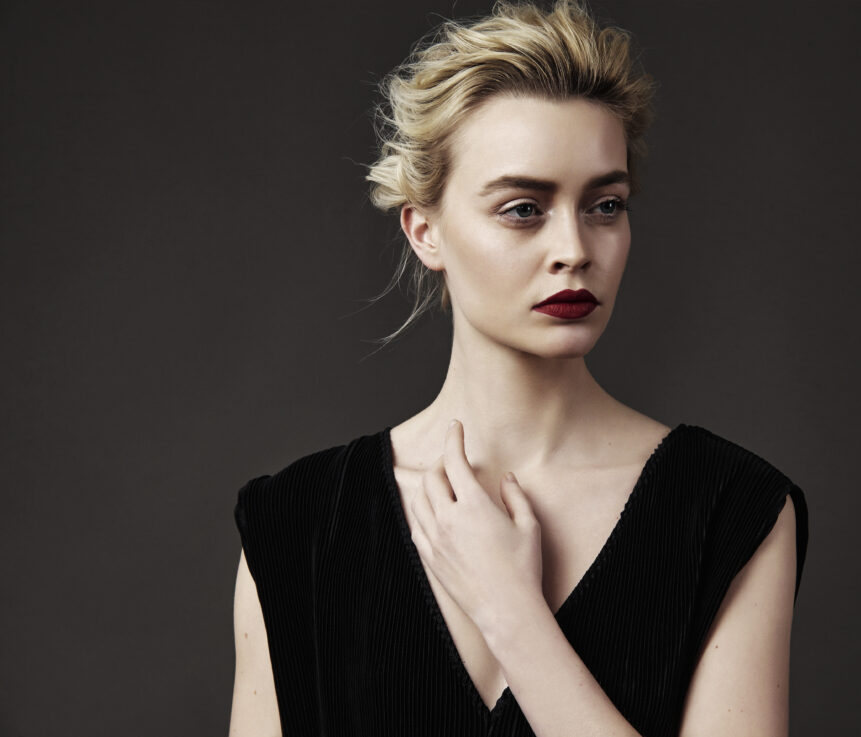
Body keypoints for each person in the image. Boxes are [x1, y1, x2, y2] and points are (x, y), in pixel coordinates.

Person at [229, 1, 809, 735]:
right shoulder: (296, 524)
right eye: (523, 209)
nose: (574, 247)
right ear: (425, 230)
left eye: (604, 204)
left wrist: (513, 614)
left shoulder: (731, 509)